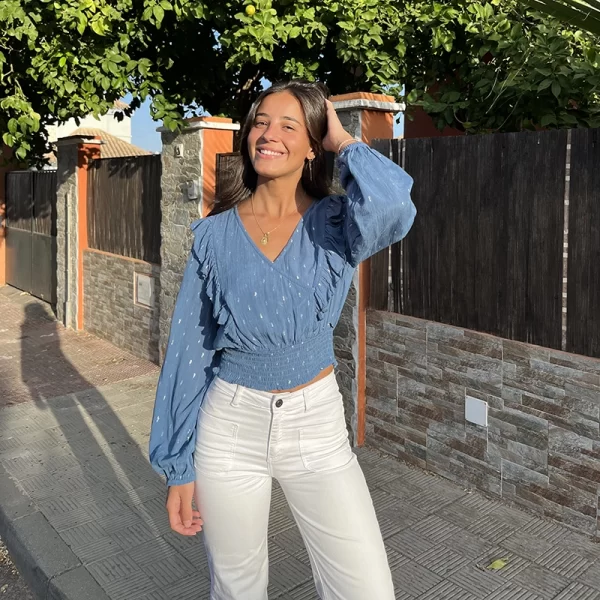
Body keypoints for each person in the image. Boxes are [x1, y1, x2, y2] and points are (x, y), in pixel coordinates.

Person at [149, 79, 416, 600]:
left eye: (289, 125)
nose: (268, 134)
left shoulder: (338, 222)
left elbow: (393, 207)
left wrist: (343, 140)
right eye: (261, 122)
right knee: (236, 586)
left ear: (312, 144)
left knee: (367, 589)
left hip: (315, 428)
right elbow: (189, 349)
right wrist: (178, 465)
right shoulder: (214, 235)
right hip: (229, 427)